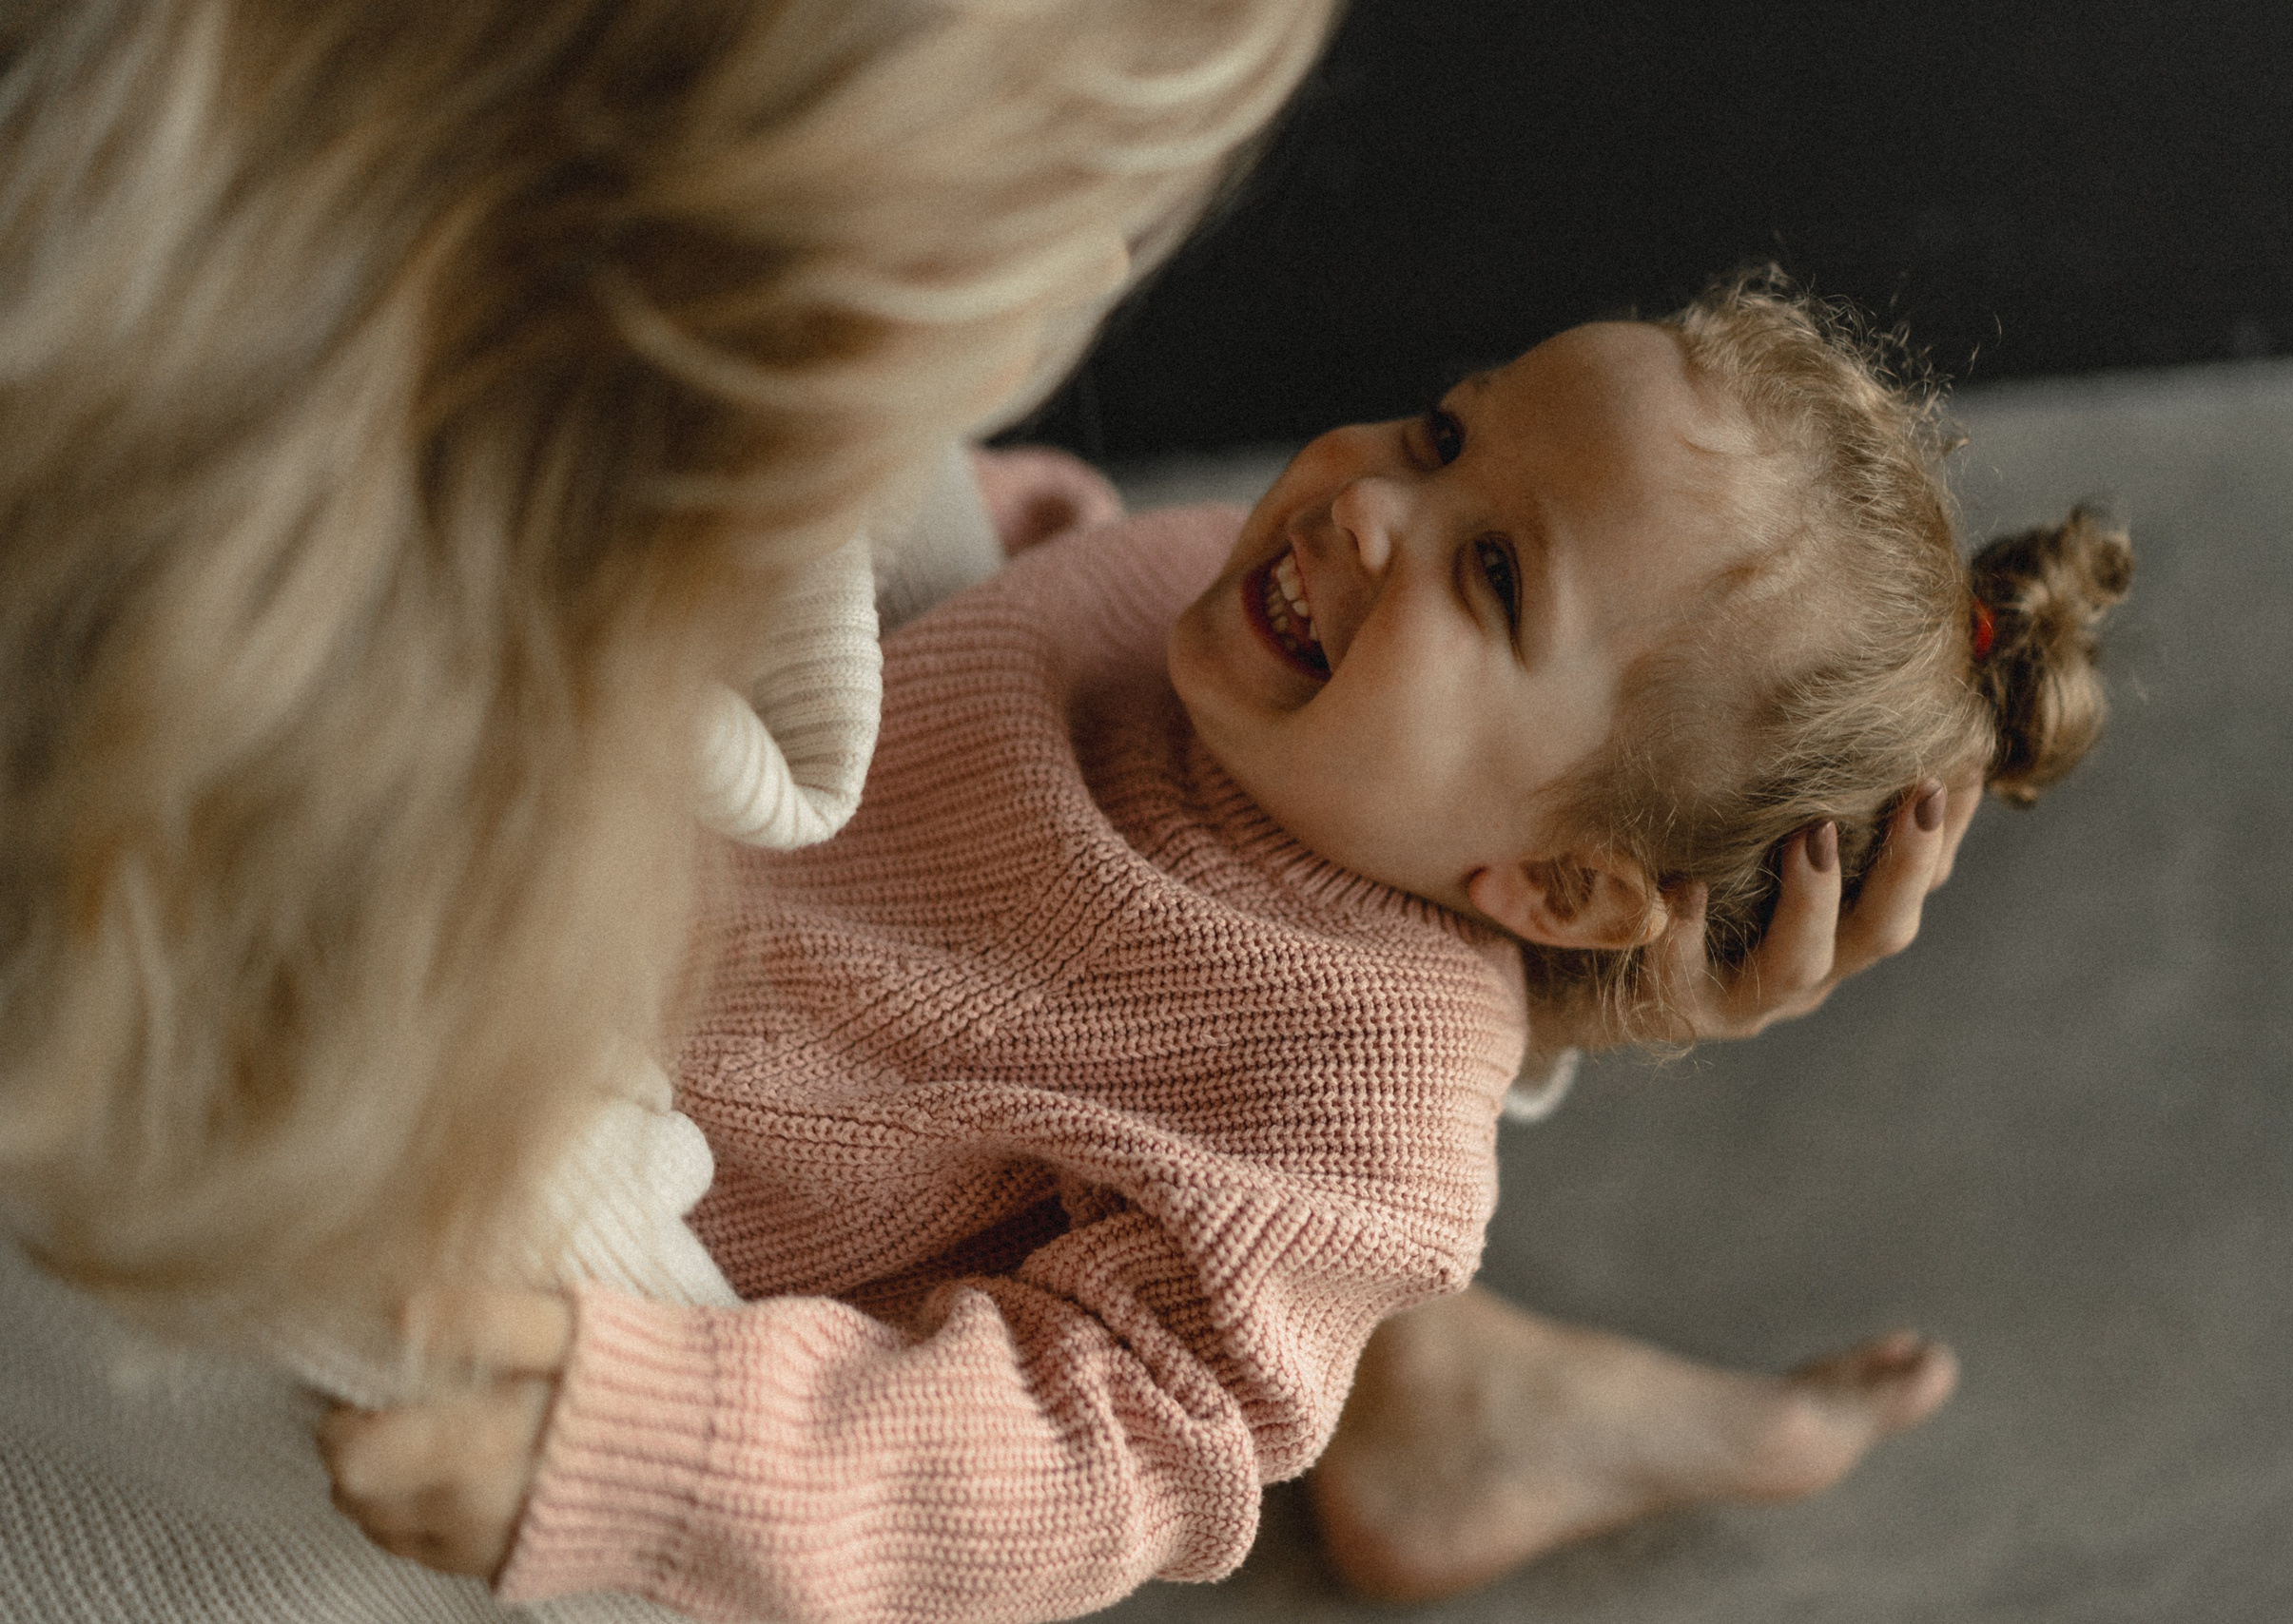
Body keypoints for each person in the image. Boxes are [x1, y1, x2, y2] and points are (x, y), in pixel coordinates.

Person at [320, 276, 2130, 1623]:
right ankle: (1443, 1411)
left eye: (1495, 576)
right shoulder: (1222, 599)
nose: (1369, 505)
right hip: (580, 899)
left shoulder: (1365, 1091)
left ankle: (1433, 1399)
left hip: (645, 1264)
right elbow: (1012, 576)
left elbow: (1102, 1446)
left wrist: (673, 1445)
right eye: (1445, 432)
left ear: (1568, 891)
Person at [0, 1, 1341, 1618]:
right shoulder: (394, 1077)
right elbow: (725, 1538)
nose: (1101, 274)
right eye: (1078, 210)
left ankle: (1401, 1341)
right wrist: (674, 1446)